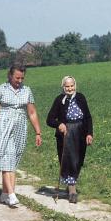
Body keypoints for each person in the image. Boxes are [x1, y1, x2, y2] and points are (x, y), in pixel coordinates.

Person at [0, 64, 42, 207]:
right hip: (2, 127)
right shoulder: (0, 89)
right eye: (17, 78)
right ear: (10, 76)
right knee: (7, 158)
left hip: (20, 128)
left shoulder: (27, 90)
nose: (19, 81)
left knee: (13, 159)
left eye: (22, 78)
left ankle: (4, 194)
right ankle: (12, 194)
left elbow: (32, 113)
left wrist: (38, 132)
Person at [46, 76, 93, 204]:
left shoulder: (81, 98)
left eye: (72, 86)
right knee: (68, 160)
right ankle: (72, 190)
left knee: (78, 160)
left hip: (80, 132)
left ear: (75, 86)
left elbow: (88, 117)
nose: (70, 88)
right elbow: (49, 119)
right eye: (67, 86)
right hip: (66, 134)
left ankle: (70, 184)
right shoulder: (59, 100)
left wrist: (89, 133)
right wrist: (59, 124)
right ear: (63, 87)